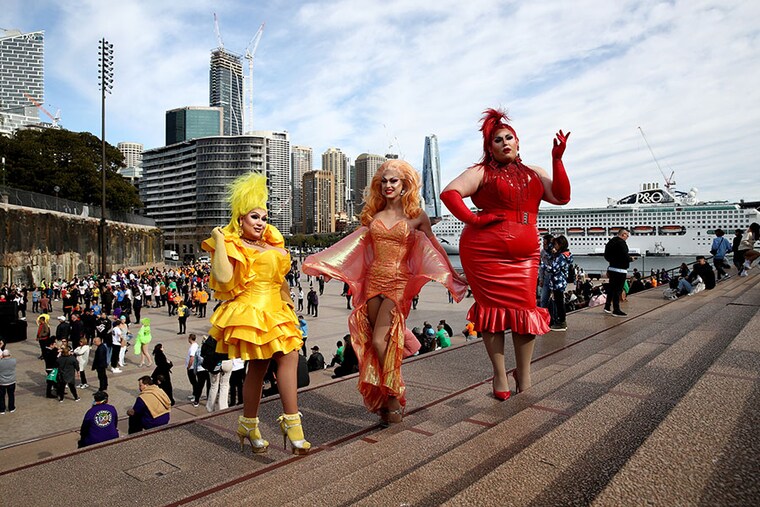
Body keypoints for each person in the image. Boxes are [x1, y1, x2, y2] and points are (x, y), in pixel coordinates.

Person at [305, 159, 466, 424]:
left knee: (382, 341)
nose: (389, 185)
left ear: (405, 185)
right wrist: (324, 263)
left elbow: (435, 247)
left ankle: (394, 393)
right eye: (385, 181)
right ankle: (384, 397)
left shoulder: (416, 216)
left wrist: (454, 274)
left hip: (398, 283)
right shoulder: (374, 216)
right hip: (373, 281)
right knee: (372, 342)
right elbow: (352, 247)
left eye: (394, 181)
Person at [440, 108, 570, 399]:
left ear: (518, 142)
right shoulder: (481, 171)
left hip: (525, 255)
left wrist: (557, 159)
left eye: (509, 138)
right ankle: (500, 375)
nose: (504, 143)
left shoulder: (536, 172)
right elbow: (449, 193)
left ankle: (523, 372)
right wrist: (474, 220)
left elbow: (561, 197)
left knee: (525, 310)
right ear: (490, 147)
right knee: (492, 314)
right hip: (484, 252)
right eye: (497, 140)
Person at [201, 172, 310, 455]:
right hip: (251, 311)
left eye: (263, 217)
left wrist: (289, 305)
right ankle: (260, 424)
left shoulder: (272, 244)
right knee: (258, 369)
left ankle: (266, 424)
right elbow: (224, 278)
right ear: (240, 219)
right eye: (254, 217)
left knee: (289, 356)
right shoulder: (233, 243)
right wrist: (219, 240)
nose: (261, 222)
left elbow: (280, 279)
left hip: (276, 309)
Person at [603, 228, 633, 318]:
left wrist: (613, 261)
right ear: (623, 234)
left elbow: (606, 256)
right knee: (618, 290)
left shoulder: (611, 242)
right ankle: (616, 310)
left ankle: (607, 306)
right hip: (620, 270)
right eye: (627, 235)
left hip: (612, 268)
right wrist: (631, 259)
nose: (627, 237)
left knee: (612, 288)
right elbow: (625, 255)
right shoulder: (621, 243)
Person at [546, 235, 573, 331]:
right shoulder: (564, 255)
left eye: (556, 244)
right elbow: (549, 250)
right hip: (559, 281)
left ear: (560, 245)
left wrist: (544, 266)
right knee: (558, 301)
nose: (554, 246)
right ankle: (559, 321)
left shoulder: (561, 256)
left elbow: (554, 269)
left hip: (558, 281)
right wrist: (551, 243)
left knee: (559, 302)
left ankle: (562, 322)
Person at [0, 349, 17, 414]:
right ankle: (11, 408)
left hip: (2, 382)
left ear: (2, 355)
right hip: (11, 381)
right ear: (9, 354)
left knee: (1, 396)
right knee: (11, 395)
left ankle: (2, 409)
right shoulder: (13, 361)